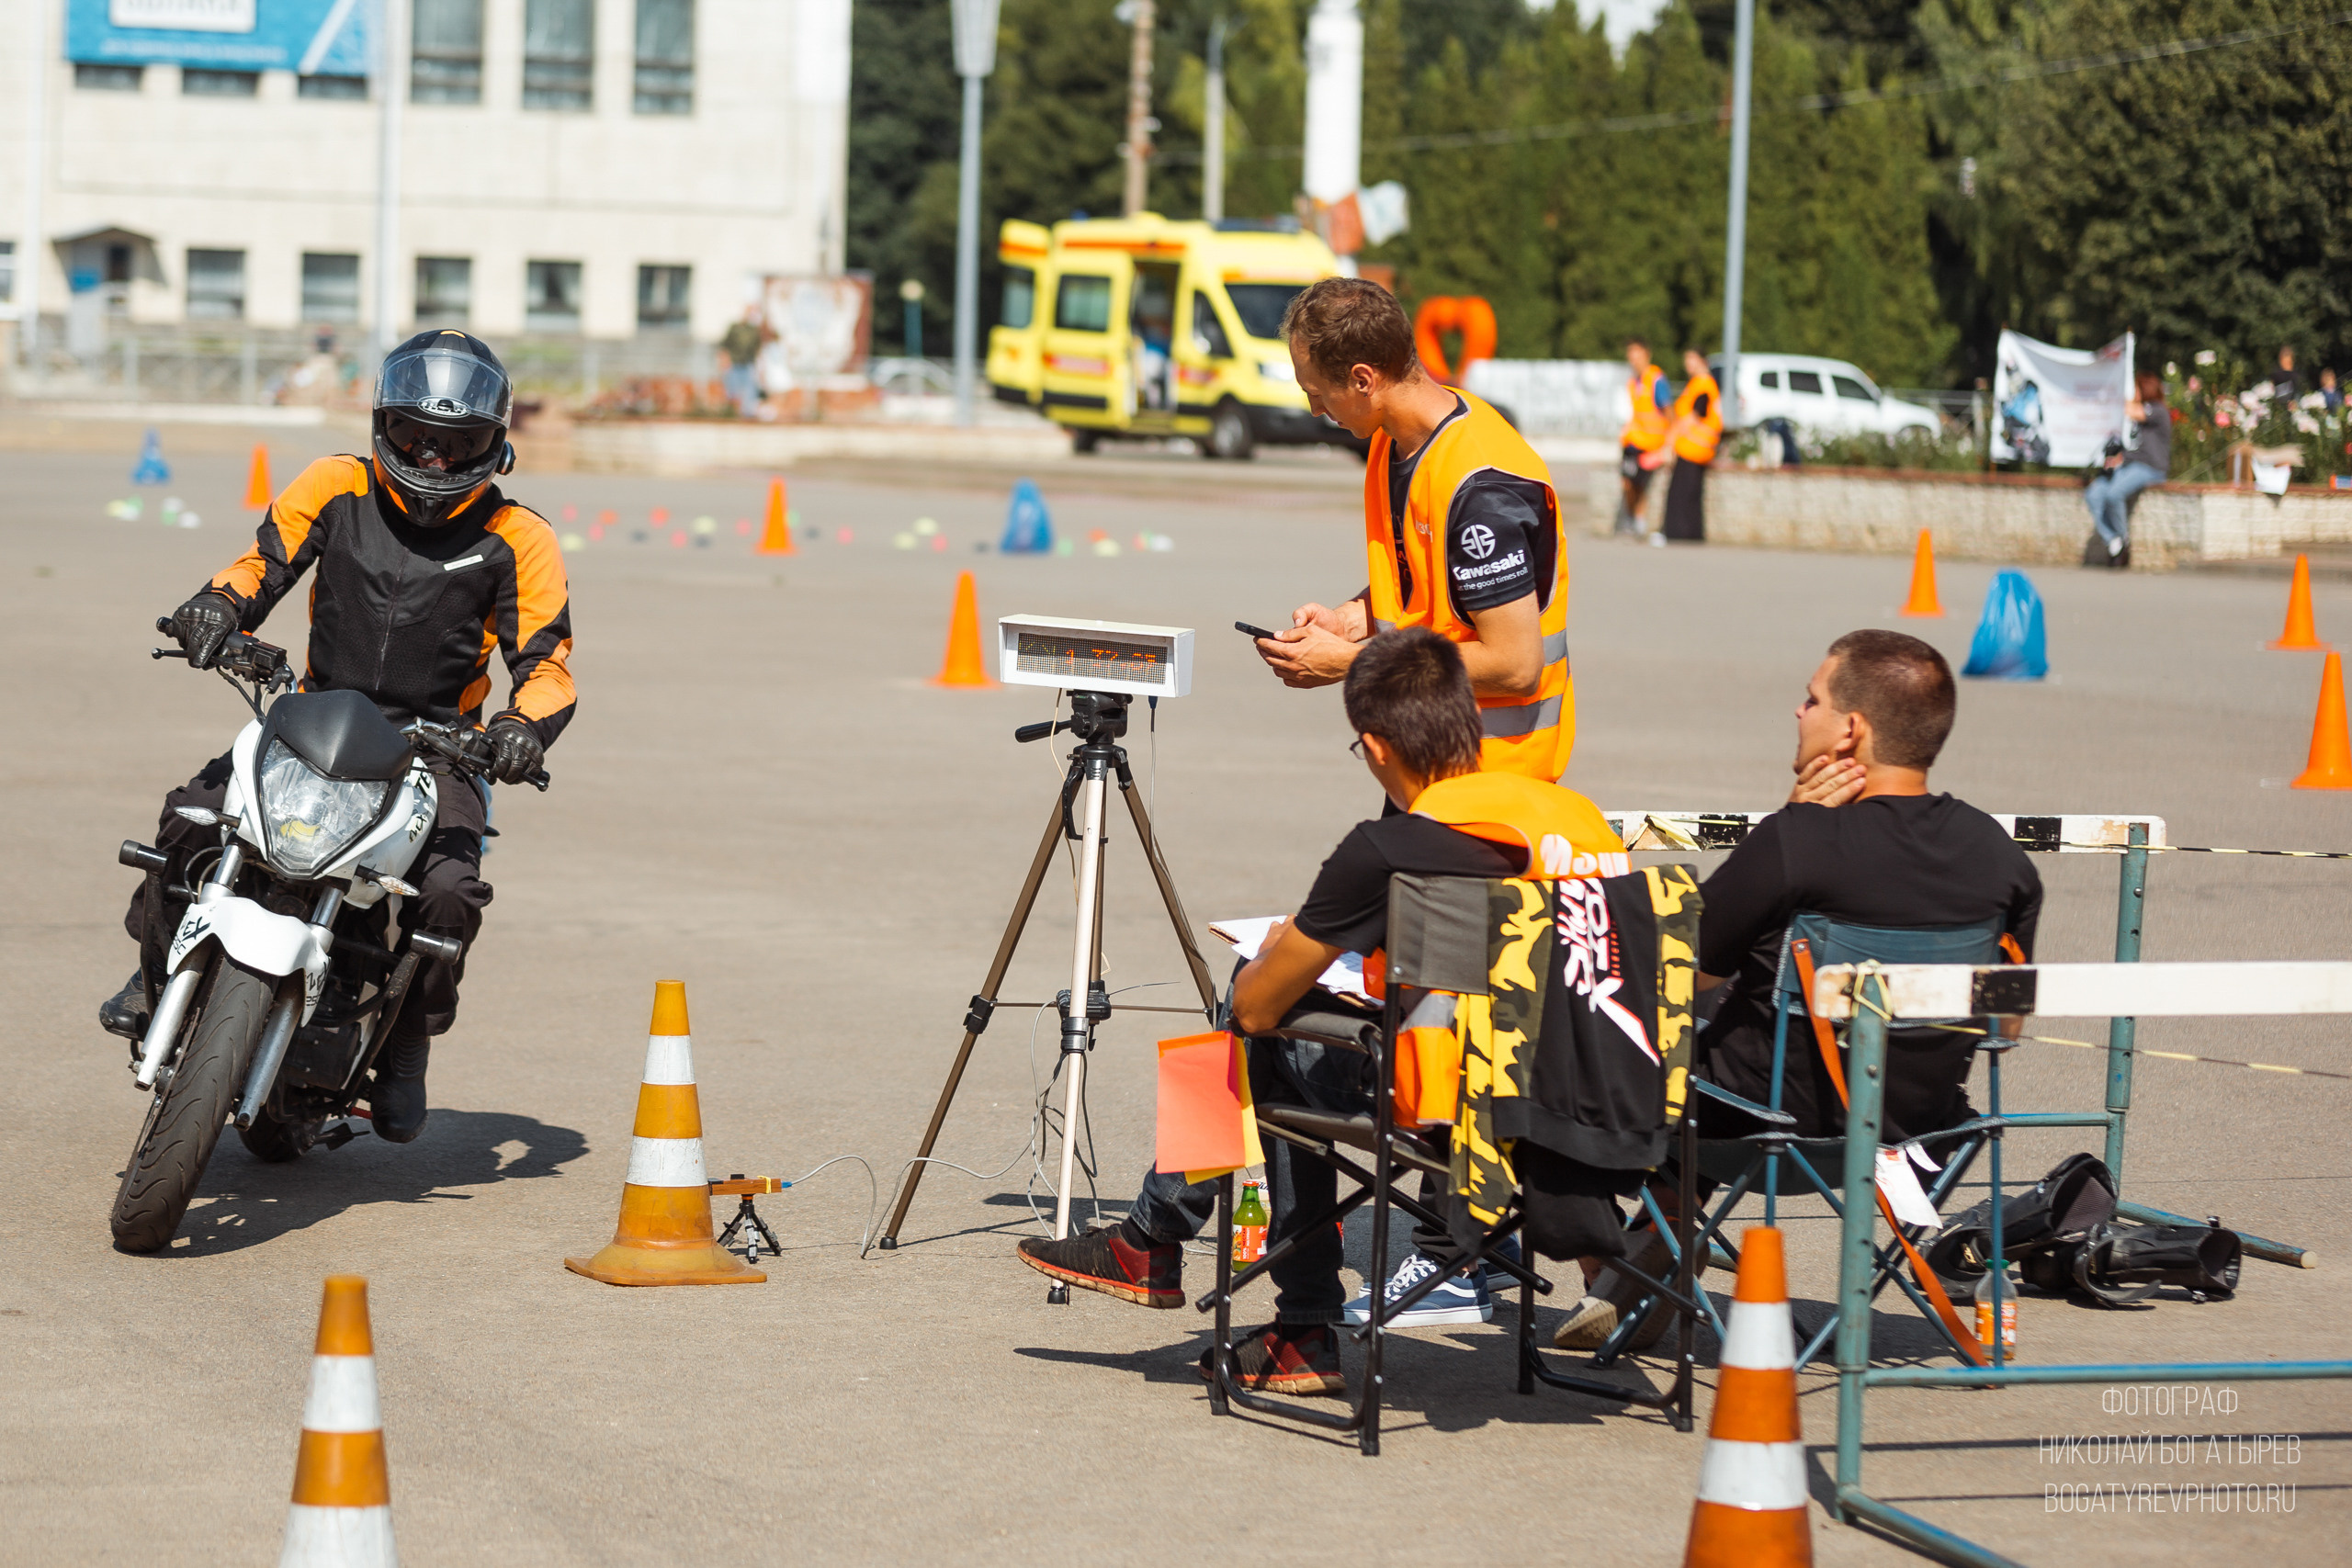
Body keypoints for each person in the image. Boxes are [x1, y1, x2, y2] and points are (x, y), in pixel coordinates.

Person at [1014, 629, 1624, 1395]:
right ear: (1471, 722)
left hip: (1455, 1107)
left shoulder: (1393, 846)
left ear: (1373, 747)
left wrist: (1276, 954)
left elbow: (1259, 1006)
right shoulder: (1585, 823)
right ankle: (1180, 1254)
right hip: (1592, 1100)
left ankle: (1214, 1271)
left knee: (1250, 1017)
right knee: (1274, 1029)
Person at [103, 331, 577, 1144]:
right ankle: (156, 976)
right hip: (313, 715)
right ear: (383, 425)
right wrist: (216, 609)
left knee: (449, 896)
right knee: (190, 817)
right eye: (416, 437)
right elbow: (261, 564)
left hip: (438, 746)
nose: (431, 459)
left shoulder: (519, 537)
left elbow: (548, 663)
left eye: (456, 444)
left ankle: (405, 1045)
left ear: (493, 448)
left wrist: (518, 729)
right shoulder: (335, 484)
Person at [1555, 629, 2041, 1349]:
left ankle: (1633, 1252)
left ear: (1851, 729)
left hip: (1756, 1126)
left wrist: (1786, 830)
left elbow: (1675, 979)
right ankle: (1653, 1235)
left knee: (1596, 1017)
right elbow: (2005, 1028)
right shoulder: (2003, 862)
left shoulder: (1797, 841)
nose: (1797, 709)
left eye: (1812, 697)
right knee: (1736, 1018)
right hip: (1916, 1128)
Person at [1250, 277, 1576, 784]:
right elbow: (1425, 590)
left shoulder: (1482, 488)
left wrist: (1351, 663)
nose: (1316, 410)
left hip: (1492, 780)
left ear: (1363, 379)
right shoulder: (1393, 444)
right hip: (1426, 764)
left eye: (1317, 393)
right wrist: (1350, 620)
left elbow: (1515, 664)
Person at [2083, 371, 2169, 568]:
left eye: (2136, 388)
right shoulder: (2142, 414)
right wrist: (2118, 459)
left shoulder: (2157, 410)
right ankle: (2113, 540)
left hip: (2150, 468)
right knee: (2094, 495)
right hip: (2130, 465)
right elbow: (2136, 446)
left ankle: (2123, 538)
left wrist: (2116, 395)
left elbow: (2132, 411)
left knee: (2114, 494)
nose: (2133, 393)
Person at [1658, 348, 1722, 543]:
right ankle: (1691, 534)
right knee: (1691, 495)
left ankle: (1678, 533)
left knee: (1680, 495)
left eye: (1692, 359)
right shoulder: (1697, 384)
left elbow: (1695, 416)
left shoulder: (1703, 384)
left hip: (1693, 448)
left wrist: (1671, 439)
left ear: (1702, 361)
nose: (1688, 364)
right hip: (1694, 448)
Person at [1616, 338, 1673, 535]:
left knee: (1640, 484)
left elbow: (1668, 412)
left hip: (1651, 443)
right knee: (1628, 482)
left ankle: (1638, 521)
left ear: (1646, 355)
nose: (1633, 360)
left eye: (1637, 355)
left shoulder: (1656, 379)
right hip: (1632, 441)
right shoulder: (1632, 383)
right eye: (1631, 356)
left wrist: (1669, 443)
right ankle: (1631, 519)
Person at [720, 309, 764, 416]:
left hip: (748, 364)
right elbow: (725, 346)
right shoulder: (734, 328)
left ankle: (747, 415)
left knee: (749, 393)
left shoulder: (753, 330)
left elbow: (757, 349)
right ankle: (731, 414)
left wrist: (761, 368)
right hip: (734, 364)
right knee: (732, 392)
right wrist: (724, 362)